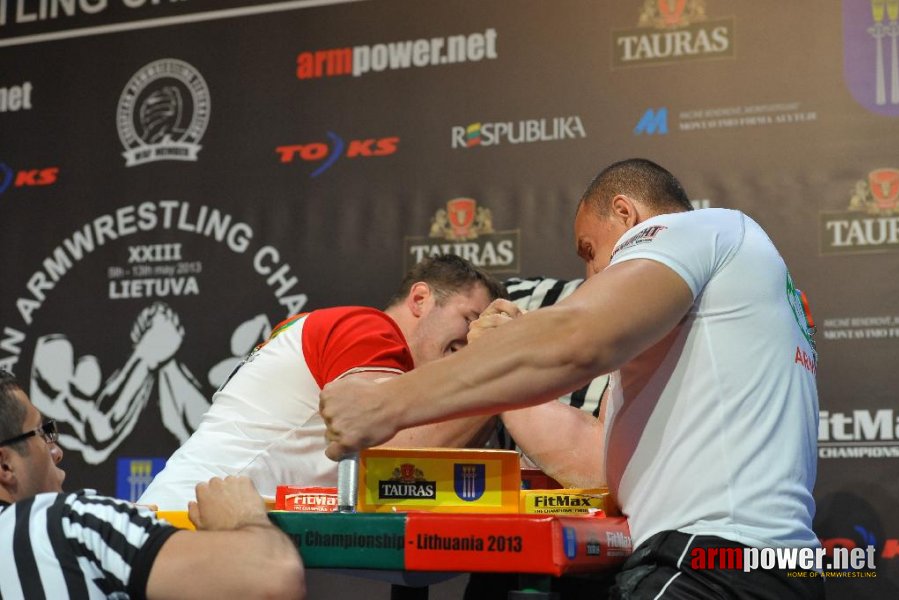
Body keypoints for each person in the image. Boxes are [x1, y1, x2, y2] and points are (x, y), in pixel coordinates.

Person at [320, 159, 823, 599]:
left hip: (709, 564)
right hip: (747, 564)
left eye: (589, 249)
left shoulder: (698, 229)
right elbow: (595, 465)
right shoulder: (711, 317)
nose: (588, 275)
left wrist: (386, 403)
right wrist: (504, 368)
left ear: (626, 216)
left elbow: (578, 336)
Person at [140, 254, 506, 509]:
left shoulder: (366, 347)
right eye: (469, 318)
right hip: (189, 522)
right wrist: (501, 368)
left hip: (210, 522)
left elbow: (409, 482)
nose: (473, 335)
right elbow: (396, 459)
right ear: (421, 299)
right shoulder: (365, 328)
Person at [0, 369, 306, 599]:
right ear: (5, 465)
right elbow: (274, 576)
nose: (56, 450)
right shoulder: (68, 523)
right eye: (41, 432)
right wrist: (244, 519)